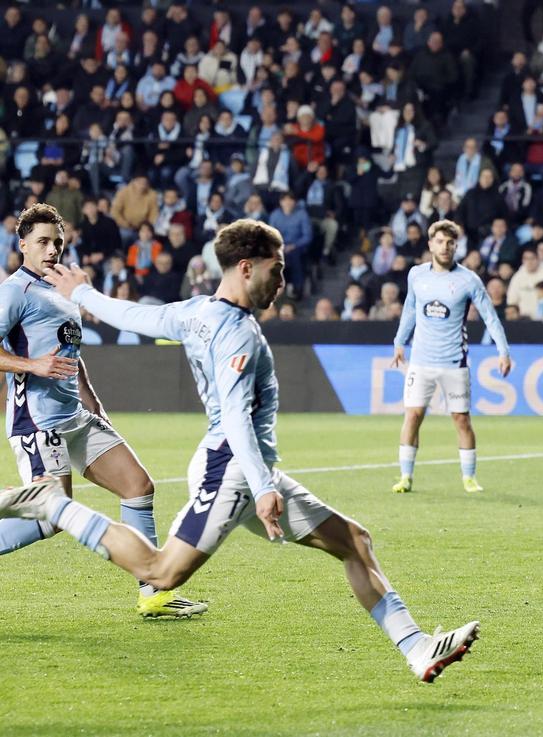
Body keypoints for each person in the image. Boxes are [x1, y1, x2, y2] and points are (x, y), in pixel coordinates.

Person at [5, 219, 479, 682]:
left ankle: (417, 648)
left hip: (244, 467)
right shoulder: (238, 334)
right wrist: (263, 487)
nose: (282, 281)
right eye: (277, 269)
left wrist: (86, 295)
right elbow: (236, 417)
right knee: (162, 571)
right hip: (232, 470)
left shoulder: (196, 312)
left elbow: (136, 317)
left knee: (355, 541)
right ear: (247, 268)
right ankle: (54, 506)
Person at [0, 204, 203, 617]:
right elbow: (33, 359)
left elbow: (71, 354)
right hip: (38, 423)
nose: (52, 250)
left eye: (58, 242)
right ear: (22, 245)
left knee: (138, 486)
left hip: (76, 416)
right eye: (42, 242)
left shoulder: (62, 289)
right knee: (52, 517)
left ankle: (154, 593)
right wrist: (32, 365)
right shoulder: (14, 291)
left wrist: (94, 404)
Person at [391, 220, 513, 494]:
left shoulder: (468, 280)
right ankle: (405, 477)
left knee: (461, 419)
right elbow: (410, 308)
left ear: (456, 246)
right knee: (413, 416)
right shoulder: (416, 275)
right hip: (421, 361)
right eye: (440, 242)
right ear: (430, 244)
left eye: (450, 243)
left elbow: (490, 317)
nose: (445, 247)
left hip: (454, 363)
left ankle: (469, 478)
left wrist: (503, 350)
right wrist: (399, 342)